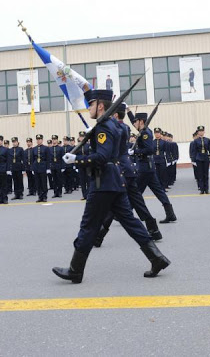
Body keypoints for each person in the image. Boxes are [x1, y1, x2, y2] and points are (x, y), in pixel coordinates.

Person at [53, 89, 170, 284]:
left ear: (100, 106)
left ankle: (75, 269)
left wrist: (77, 159)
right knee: (131, 222)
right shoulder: (113, 125)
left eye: (90, 104)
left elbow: (102, 157)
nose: (88, 108)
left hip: (103, 183)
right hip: (116, 181)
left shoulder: (103, 127)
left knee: (88, 225)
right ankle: (157, 258)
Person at [94, 102, 163, 247]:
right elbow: (129, 123)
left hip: (121, 171)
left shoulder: (117, 128)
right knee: (136, 203)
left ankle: (98, 236)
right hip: (129, 170)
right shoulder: (123, 127)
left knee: (112, 206)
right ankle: (153, 229)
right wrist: (129, 111)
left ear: (115, 115)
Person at [127, 108, 178, 223]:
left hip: (145, 168)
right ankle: (170, 213)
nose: (134, 123)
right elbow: (133, 121)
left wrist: (135, 152)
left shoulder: (145, 133)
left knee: (136, 192)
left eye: (136, 121)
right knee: (158, 191)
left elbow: (150, 149)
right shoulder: (143, 130)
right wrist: (128, 111)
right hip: (148, 167)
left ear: (141, 121)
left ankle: (126, 213)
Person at [190, 126, 210, 194]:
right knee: (200, 174)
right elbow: (194, 151)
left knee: (206, 174)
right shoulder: (195, 141)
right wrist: (193, 160)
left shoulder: (207, 140)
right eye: (200, 131)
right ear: (198, 132)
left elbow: (209, 150)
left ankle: (206, 189)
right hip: (198, 158)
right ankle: (202, 189)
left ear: (204, 132)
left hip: (206, 158)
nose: (201, 132)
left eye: (202, 131)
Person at [32, 134, 51, 202]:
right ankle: (40, 196)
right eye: (37, 139)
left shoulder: (46, 148)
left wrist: (48, 168)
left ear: (42, 140)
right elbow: (32, 159)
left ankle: (44, 196)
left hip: (43, 167)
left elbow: (48, 159)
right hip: (36, 167)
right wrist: (32, 168)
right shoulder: (34, 149)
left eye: (40, 139)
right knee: (38, 183)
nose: (38, 140)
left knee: (43, 183)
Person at [77, 132, 90, 200]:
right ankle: (84, 195)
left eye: (83, 136)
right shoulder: (78, 146)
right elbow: (75, 156)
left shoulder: (88, 145)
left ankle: (88, 194)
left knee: (88, 180)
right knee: (82, 181)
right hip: (80, 165)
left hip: (87, 165)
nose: (81, 138)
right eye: (80, 137)